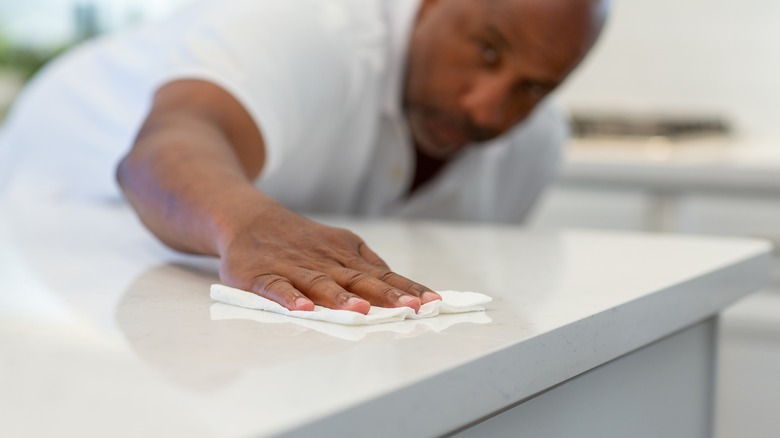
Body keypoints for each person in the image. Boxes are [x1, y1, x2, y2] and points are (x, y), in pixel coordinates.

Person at [0, 0, 607, 314]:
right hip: (66, 188)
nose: (487, 109)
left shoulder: (535, 148)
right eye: (487, 50)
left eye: (535, 88)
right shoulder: (315, 23)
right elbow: (169, 143)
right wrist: (250, 223)